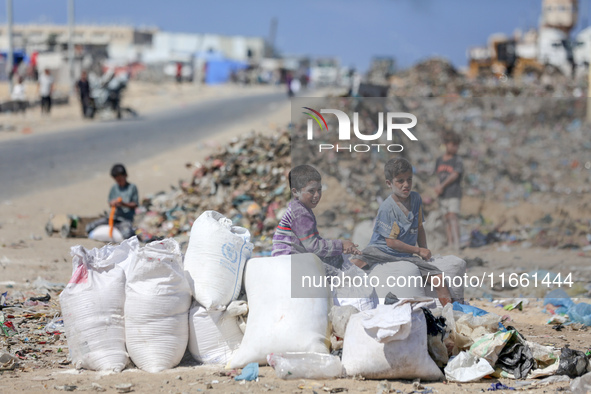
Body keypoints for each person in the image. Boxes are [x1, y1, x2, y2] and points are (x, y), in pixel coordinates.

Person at [350, 158, 451, 306]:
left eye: (409, 179)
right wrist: (418, 250)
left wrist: (424, 251)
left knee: (439, 279)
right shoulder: (387, 207)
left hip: (405, 253)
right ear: (389, 183)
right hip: (381, 249)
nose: (406, 185)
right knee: (353, 269)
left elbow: (419, 227)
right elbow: (390, 242)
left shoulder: (416, 199)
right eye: (400, 181)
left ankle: (450, 313)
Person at [272, 164, 360, 269]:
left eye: (319, 190)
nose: (317, 195)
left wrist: (341, 246)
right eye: (311, 191)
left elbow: (313, 241)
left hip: (289, 259)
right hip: (289, 261)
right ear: (295, 192)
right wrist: (341, 245)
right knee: (338, 263)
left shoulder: (300, 208)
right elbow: (313, 247)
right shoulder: (300, 212)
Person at [85, 164, 139, 239]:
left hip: (125, 219)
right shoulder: (114, 188)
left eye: (120, 180)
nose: (119, 182)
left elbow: (135, 204)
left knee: (127, 234)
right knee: (89, 227)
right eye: (117, 180)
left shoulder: (132, 187)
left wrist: (123, 204)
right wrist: (112, 203)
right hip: (112, 217)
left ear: (125, 175)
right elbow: (110, 202)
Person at [434, 132, 463, 251]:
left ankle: (457, 244)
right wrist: (437, 187)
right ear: (446, 145)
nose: (455, 148)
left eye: (457, 145)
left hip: (453, 193)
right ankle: (450, 243)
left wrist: (442, 185)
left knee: (453, 216)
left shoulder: (457, 160)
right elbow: (437, 175)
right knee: (446, 219)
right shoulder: (440, 160)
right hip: (443, 195)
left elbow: (455, 175)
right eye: (453, 145)